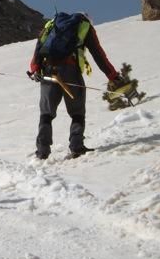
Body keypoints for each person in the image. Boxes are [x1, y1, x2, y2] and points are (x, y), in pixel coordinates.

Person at [29, 12, 122, 160]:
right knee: (77, 112)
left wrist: (35, 69)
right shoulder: (85, 26)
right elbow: (98, 54)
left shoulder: (52, 24)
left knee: (46, 113)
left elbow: (39, 46)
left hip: (48, 70)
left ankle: (42, 151)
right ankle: (76, 146)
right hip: (70, 70)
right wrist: (112, 75)